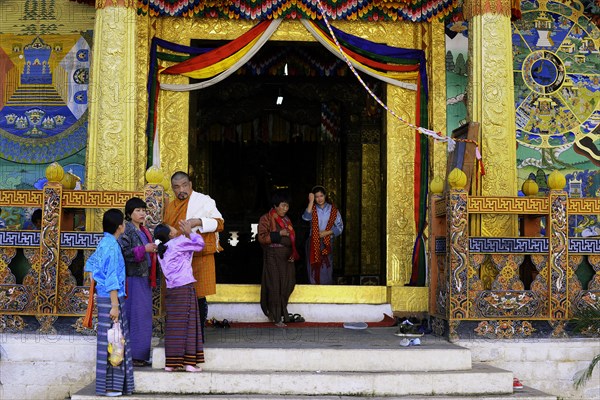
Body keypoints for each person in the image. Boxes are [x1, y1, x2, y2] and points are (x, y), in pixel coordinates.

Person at [163, 171, 224, 341]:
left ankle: (199, 335)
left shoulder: (204, 201)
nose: (181, 190)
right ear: (173, 188)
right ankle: (183, 335)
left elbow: (220, 223)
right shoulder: (171, 206)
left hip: (199, 256)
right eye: (177, 187)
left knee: (198, 296)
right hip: (178, 260)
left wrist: (198, 221)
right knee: (180, 297)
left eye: (184, 185)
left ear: (190, 184)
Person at [84, 209, 134, 397]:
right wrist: (114, 305)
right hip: (112, 299)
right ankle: (112, 387)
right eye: (123, 222)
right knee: (115, 341)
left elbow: (91, 266)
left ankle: (107, 386)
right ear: (119, 226)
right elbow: (112, 278)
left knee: (109, 340)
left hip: (103, 297)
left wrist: (98, 284)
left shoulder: (104, 243)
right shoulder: (112, 246)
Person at [154, 220, 205, 372]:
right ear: (170, 233)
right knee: (189, 323)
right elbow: (200, 245)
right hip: (184, 288)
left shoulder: (161, 250)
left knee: (174, 325)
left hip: (172, 290)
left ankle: (171, 363)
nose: (175, 228)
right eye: (172, 228)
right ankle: (189, 363)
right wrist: (190, 232)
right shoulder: (179, 242)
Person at [117, 197, 157, 367]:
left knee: (144, 316)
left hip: (144, 278)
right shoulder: (127, 231)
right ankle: (133, 356)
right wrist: (144, 249)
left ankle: (141, 355)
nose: (142, 214)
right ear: (129, 214)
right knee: (135, 315)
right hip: (132, 279)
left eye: (143, 210)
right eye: (138, 211)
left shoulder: (144, 230)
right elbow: (123, 253)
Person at [258, 190, 299, 327]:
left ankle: (282, 313)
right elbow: (262, 238)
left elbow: (292, 239)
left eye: (287, 206)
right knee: (275, 286)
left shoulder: (287, 220)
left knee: (288, 284)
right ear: (275, 205)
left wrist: (292, 253)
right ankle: (276, 317)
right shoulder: (266, 218)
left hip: (286, 258)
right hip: (273, 257)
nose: (285, 209)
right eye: (282, 205)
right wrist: (278, 234)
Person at [302, 185, 343, 285]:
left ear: (325, 196)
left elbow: (340, 228)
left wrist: (326, 232)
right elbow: (306, 218)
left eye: (321, 196)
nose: (319, 199)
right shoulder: (312, 208)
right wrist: (311, 201)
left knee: (326, 266)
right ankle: (313, 288)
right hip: (313, 242)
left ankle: (325, 288)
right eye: (316, 197)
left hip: (327, 242)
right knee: (312, 265)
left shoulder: (333, 210)